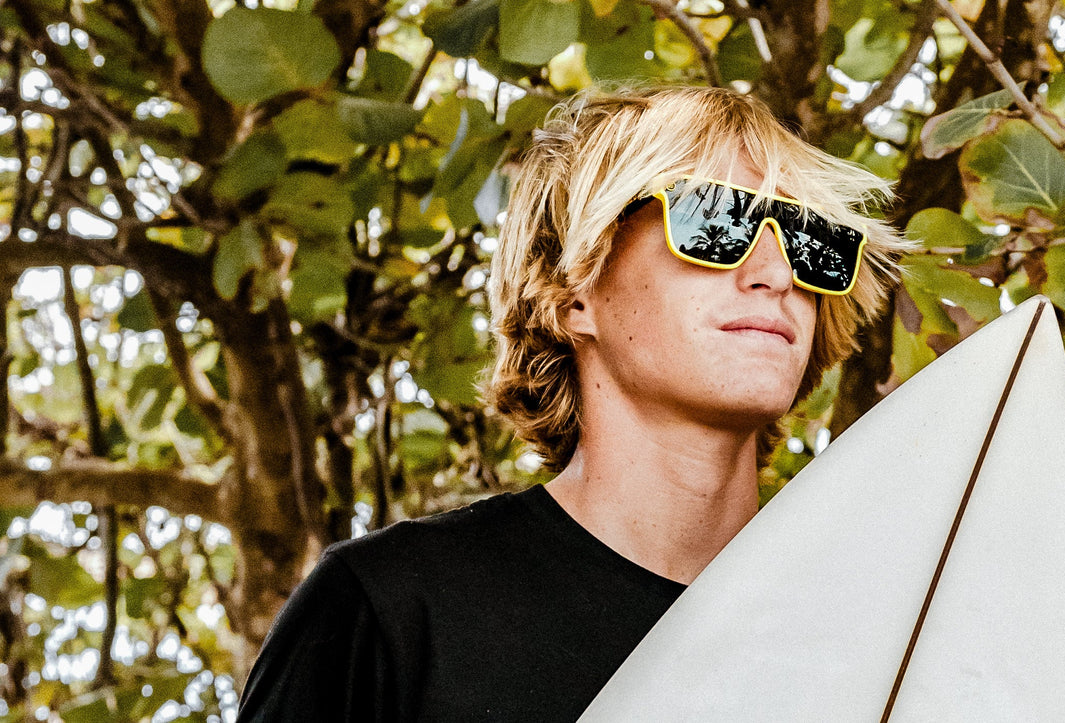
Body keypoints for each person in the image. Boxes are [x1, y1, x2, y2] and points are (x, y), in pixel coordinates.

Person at [237, 85, 908, 721]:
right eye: (716, 220)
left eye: (809, 241)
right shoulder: (389, 610)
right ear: (570, 292)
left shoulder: (880, 645)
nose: (776, 272)